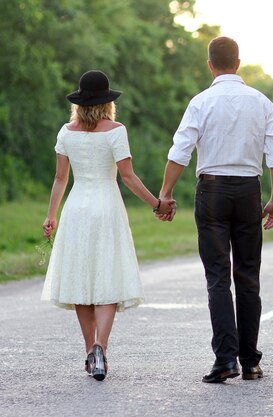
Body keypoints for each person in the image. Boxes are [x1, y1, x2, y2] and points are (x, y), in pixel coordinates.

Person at [158, 36, 273, 383]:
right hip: (249, 190)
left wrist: (165, 194)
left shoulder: (201, 102)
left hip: (212, 191)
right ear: (239, 63)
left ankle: (225, 360)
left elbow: (180, 151)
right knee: (248, 276)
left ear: (210, 64)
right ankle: (251, 362)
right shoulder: (261, 102)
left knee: (218, 277)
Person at [41, 70, 175, 381]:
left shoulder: (66, 132)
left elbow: (60, 179)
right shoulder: (116, 131)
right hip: (107, 206)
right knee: (106, 277)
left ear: (79, 102)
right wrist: (157, 203)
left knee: (80, 280)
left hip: (76, 208)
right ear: (107, 102)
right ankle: (101, 345)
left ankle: (91, 351)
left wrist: (51, 215)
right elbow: (128, 177)